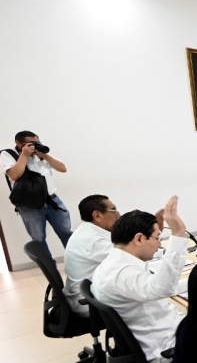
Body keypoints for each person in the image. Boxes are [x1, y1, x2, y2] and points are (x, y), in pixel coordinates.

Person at [93, 196, 187, 363]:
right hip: (166, 350)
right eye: (157, 238)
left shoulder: (112, 264)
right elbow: (162, 288)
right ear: (138, 239)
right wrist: (178, 234)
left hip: (159, 332)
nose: (159, 245)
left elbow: (159, 288)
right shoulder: (122, 274)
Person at [2, 130, 71, 259]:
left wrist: (45, 155)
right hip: (29, 205)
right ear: (18, 143)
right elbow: (14, 175)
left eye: (37, 142)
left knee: (67, 232)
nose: (34, 146)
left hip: (52, 200)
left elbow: (63, 168)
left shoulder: (41, 154)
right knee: (38, 239)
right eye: (30, 143)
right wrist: (24, 155)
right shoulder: (9, 154)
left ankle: (77, 263)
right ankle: (51, 271)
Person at [63, 195, 121, 316]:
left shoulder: (88, 230)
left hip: (90, 292)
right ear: (97, 215)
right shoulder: (93, 241)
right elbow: (130, 256)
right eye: (114, 210)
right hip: (88, 302)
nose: (118, 215)